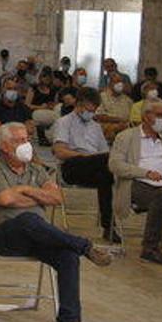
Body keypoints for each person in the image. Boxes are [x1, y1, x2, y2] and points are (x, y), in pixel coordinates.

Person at [0, 122, 112, 322]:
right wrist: (38, 196)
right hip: (5, 237)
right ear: (5, 146)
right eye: (20, 140)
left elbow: (57, 198)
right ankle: (84, 245)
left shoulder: (36, 169)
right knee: (28, 219)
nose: (26, 144)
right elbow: (5, 200)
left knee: (68, 256)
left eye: (27, 139)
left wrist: (25, 190)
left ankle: (69, 320)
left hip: (40, 235)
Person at [109, 98, 162, 265]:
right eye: (159, 115)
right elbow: (115, 165)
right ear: (145, 116)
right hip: (137, 183)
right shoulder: (126, 137)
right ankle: (150, 248)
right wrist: (146, 173)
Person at [52, 87, 119, 243]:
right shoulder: (64, 122)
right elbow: (60, 151)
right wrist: (85, 156)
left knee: (107, 176)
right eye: (89, 109)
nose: (91, 113)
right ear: (79, 105)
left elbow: (104, 153)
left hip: (95, 167)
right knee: (107, 166)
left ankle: (108, 226)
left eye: (94, 110)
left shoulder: (95, 127)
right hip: (72, 165)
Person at [25, 70, 58, 145]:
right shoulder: (34, 88)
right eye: (44, 76)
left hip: (49, 111)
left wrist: (51, 106)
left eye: (48, 77)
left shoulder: (53, 90)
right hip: (35, 111)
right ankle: (48, 137)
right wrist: (40, 107)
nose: (46, 79)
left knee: (58, 112)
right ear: (40, 78)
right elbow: (27, 104)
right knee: (56, 117)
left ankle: (50, 137)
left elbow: (55, 103)